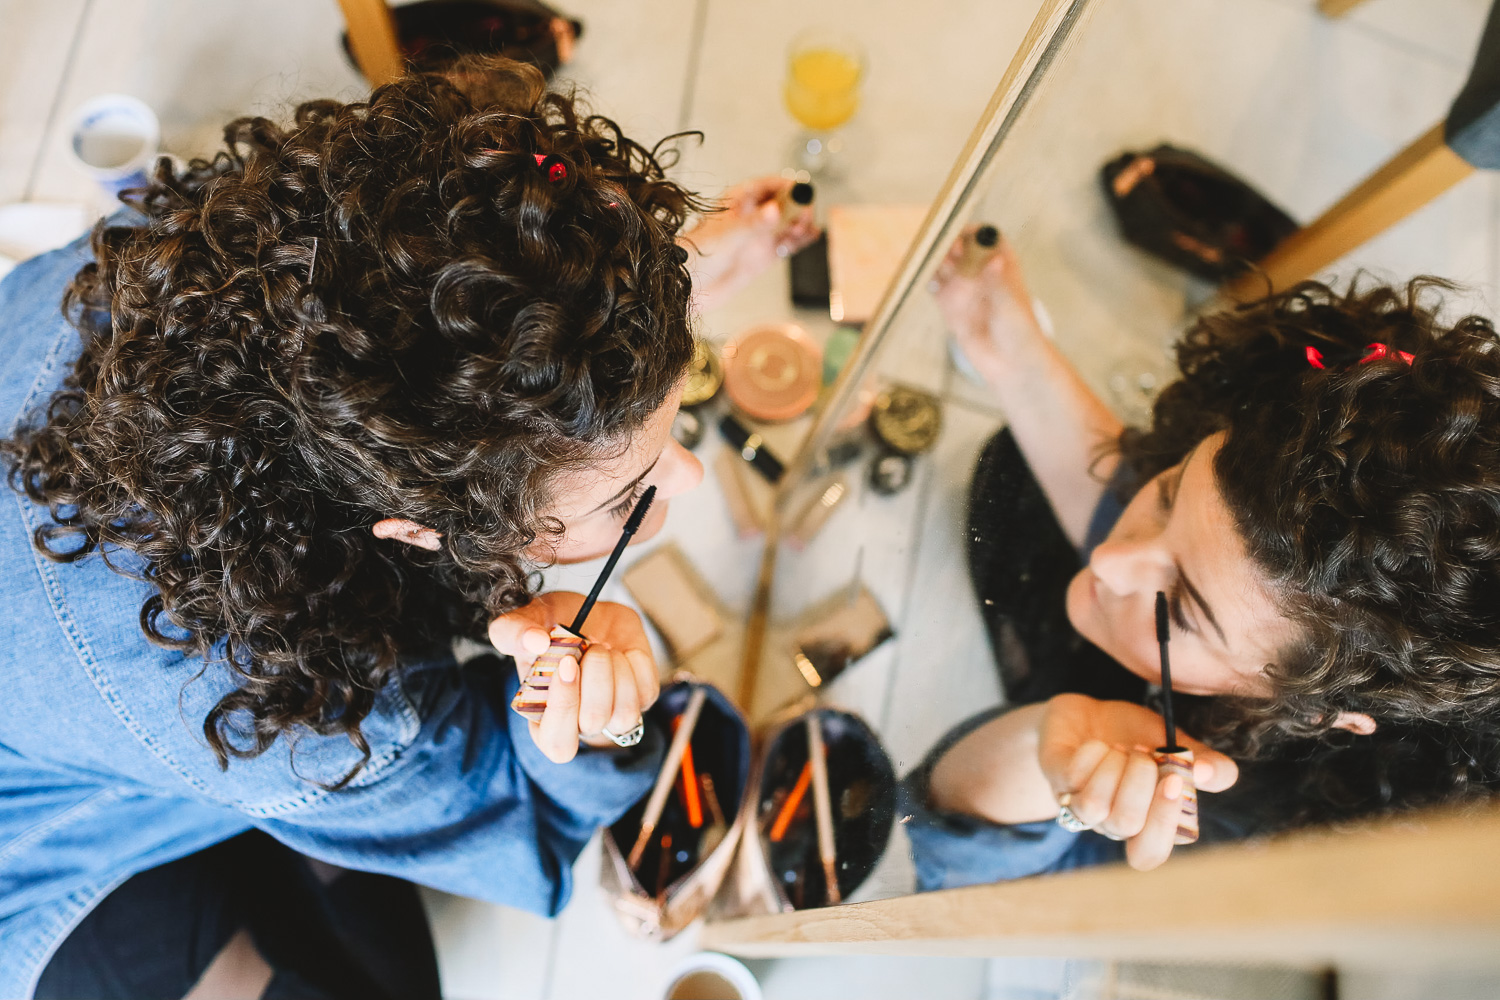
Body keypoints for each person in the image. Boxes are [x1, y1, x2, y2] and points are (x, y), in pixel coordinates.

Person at [0, 57, 816, 998]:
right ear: (422, 531)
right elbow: (526, 838)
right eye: (624, 496)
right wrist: (597, 724)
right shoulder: (308, 720)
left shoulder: (200, 260)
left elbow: (453, 352)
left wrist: (623, 310)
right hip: (46, 849)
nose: (693, 475)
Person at [901, 230, 1500, 889]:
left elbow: (958, 877)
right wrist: (1012, 354)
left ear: (1314, 711)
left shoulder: (1255, 823)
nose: (1108, 560)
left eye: (1181, 607)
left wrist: (1050, 745)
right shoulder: (1237, 572)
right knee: (1007, 472)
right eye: (1168, 492)